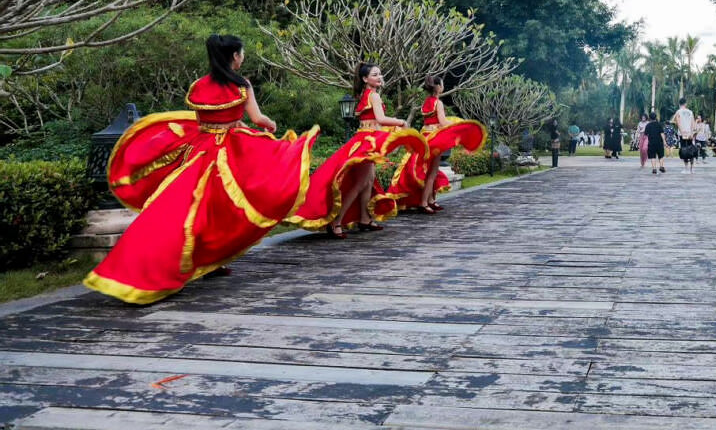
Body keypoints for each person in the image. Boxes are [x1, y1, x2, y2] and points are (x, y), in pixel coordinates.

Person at [84, 34, 316, 304]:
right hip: (228, 155)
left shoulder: (198, 86)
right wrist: (269, 125)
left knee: (180, 210)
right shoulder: (242, 85)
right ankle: (197, 263)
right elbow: (256, 118)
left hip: (199, 152)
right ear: (233, 57)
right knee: (223, 211)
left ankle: (178, 264)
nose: (242, 58)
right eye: (241, 54)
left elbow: (202, 120)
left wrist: (226, 125)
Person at [289, 62, 426, 238]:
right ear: (365, 79)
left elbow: (375, 121)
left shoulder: (366, 94)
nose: (379, 77)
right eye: (375, 74)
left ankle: (364, 218)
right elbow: (381, 119)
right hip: (368, 141)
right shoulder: (373, 96)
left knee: (368, 181)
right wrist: (400, 122)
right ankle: (336, 221)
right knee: (360, 183)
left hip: (364, 139)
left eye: (380, 74)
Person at [385, 76, 487, 216]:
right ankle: (424, 203)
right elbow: (443, 122)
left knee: (428, 170)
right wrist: (459, 125)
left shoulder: (425, 102)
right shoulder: (438, 103)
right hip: (435, 138)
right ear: (438, 87)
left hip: (425, 136)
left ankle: (431, 199)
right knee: (432, 172)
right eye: (442, 85)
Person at [673, 97, 696, 173]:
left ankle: (686, 168)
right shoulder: (690, 112)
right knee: (691, 150)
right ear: (685, 104)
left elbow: (678, 123)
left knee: (684, 150)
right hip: (689, 133)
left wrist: (682, 132)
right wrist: (692, 133)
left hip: (682, 134)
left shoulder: (678, 112)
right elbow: (693, 123)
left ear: (679, 104)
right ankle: (692, 169)